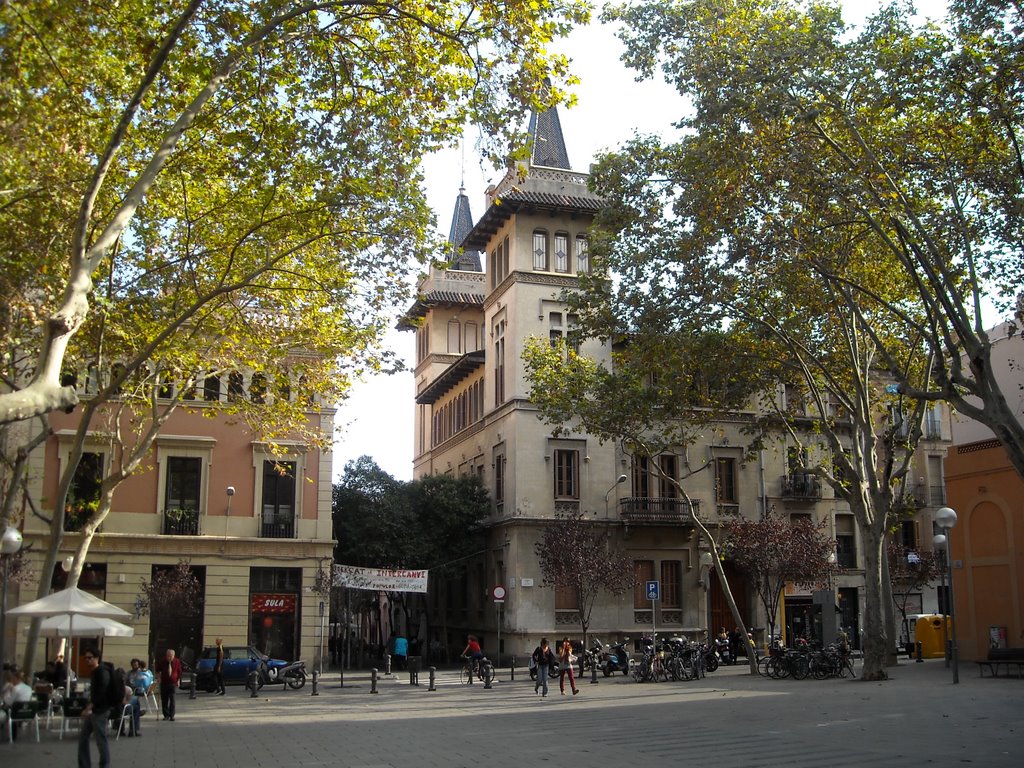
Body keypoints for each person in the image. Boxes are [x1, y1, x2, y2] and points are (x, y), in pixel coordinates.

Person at [77, 647, 111, 768]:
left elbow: (101, 692)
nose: (87, 660)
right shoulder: (95, 672)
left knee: (101, 740)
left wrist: (89, 707)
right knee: (83, 738)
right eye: (85, 658)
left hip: (100, 711)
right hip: (94, 710)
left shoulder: (101, 672)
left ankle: (104, 765)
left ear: (97, 658)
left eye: (90, 658)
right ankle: (84, 764)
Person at [1, 666, 33, 740]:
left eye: (13, 679)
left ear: (16, 679)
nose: (12, 681)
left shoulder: (15, 688)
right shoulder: (29, 688)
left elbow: (9, 702)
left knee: (5, 710)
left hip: (16, 712)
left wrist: (5, 694)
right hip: (28, 711)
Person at [155, 648, 182, 721]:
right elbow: (157, 670)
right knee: (164, 700)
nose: (169, 657)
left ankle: (172, 715)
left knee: (172, 699)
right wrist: (158, 678)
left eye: (170, 656)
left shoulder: (177, 661)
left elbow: (179, 672)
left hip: (173, 683)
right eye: (168, 656)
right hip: (164, 683)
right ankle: (166, 715)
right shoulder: (163, 661)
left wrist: (178, 680)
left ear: (174, 655)